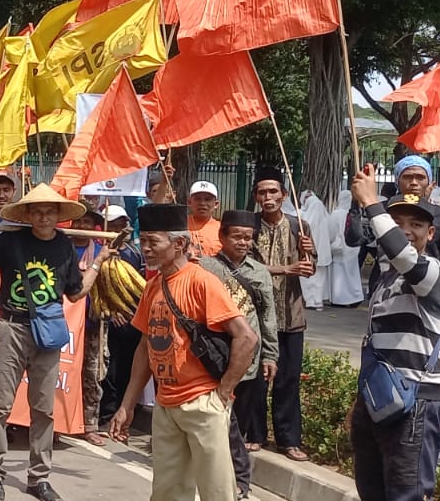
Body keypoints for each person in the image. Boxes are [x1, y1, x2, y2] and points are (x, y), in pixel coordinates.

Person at [0, 184, 99, 501]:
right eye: (38, 211)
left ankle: (39, 477)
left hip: (47, 334)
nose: (44, 217)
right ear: (28, 215)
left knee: (43, 410)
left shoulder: (64, 246)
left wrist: (99, 264)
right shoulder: (9, 241)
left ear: (58, 215)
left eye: (49, 212)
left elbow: (75, 293)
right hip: (11, 328)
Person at [109, 204, 257, 501]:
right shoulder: (153, 286)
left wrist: (223, 393)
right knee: (167, 493)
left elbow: (246, 337)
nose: (145, 248)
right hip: (166, 406)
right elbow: (145, 347)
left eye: (153, 241)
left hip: (202, 403)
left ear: (179, 244)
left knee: (217, 493)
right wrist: (127, 405)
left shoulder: (201, 281)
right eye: (143, 241)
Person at [346, 166, 440, 501]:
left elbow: (404, 256)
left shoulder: (432, 272)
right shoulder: (385, 279)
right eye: (397, 222)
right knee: (371, 490)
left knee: (407, 493)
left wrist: (372, 202)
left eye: (415, 225)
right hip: (379, 398)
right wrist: (360, 400)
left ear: (430, 234)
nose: (405, 231)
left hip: (414, 402)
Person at [199, 210, 278, 501]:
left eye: (248, 237)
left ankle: (236, 477)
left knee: (237, 422)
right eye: (237, 237)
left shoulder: (259, 272)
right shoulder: (204, 267)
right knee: (219, 419)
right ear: (222, 237)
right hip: (214, 356)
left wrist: (270, 355)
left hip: (249, 358)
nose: (243, 242)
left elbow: (268, 316)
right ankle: (224, 476)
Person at [251, 166, 314, 461]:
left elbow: (310, 269)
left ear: (284, 195)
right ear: (256, 196)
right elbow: (245, 268)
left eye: (273, 191)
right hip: (257, 316)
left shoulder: (299, 225)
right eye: (262, 192)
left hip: (291, 315)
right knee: (256, 379)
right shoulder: (249, 226)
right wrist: (286, 268)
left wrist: (308, 253)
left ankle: (289, 440)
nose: (268, 197)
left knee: (288, 379)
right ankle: (254, 435)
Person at [68, 207, 112, 447]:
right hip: (61, 321)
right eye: (78, 221)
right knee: (61, 372)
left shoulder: (103, 252)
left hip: (92, 321)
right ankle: (57, 421)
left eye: (87, 222)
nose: (82, 226)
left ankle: (89, 425)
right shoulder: (61, 247)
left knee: (92, 374)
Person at [99, 204, 146, 426]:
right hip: (106, 319)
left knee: (128, 367)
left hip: (132, 318)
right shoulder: (96, 251)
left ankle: (125, 409)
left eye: (121, 225)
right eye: (113, 226)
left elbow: (140, 286)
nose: (118, 230)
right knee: (109, 369)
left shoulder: (135, 253)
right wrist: (111, 312)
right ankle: (106, 412)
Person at [187, 181, 222, 257]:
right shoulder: (180, 224)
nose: (202, 203)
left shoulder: (222, 229)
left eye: (207, 199)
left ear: (216, 204)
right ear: (189, 202)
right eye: (197, 199)